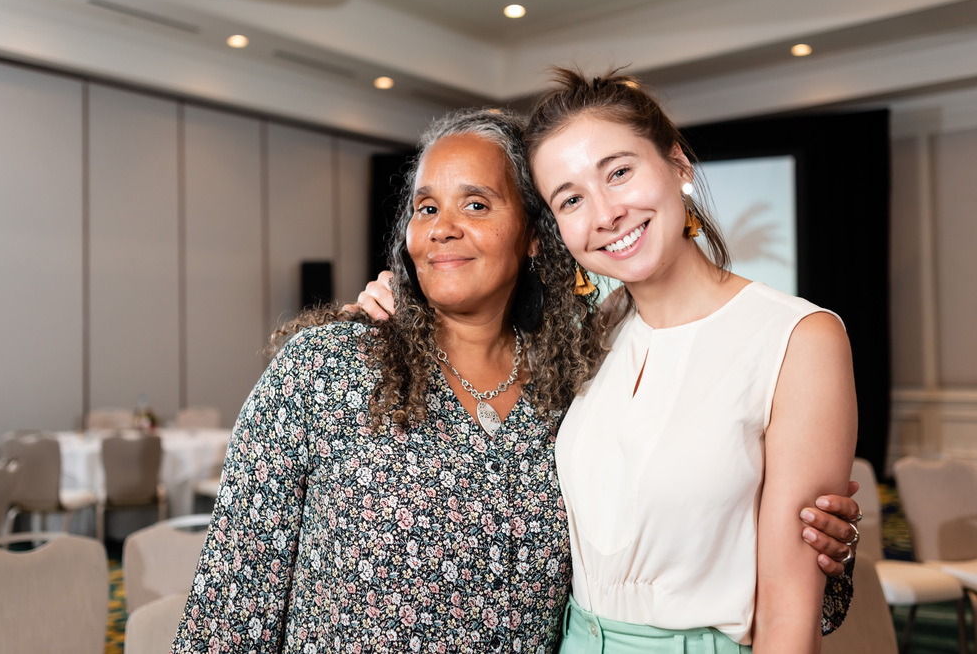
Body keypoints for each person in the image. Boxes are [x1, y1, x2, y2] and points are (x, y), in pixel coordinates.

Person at [174, 107, 857, 654]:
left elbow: (677, 517)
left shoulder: (574, 378)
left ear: (535, 235)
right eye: (425, 207)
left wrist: (822, 540)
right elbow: (234, 598)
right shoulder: (326, 370)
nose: (442, 229)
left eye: (476, 205)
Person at [355, 72, 859, 653]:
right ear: (551, 230)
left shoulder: (796, 338)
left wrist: (836, 545)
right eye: (570, 198)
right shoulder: (588, 337)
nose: (606, 214)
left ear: (677, 165)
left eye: (619, 172)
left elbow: (790, 618)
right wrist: (386, 308)